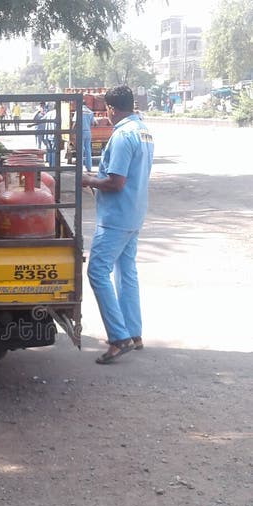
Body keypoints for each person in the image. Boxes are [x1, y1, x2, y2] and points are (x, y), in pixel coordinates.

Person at [81, 85, 154, 364]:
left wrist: (89, 180)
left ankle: (118, 337)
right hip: (133, 212)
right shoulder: (144, 131)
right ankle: (133, 333)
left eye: (106, 110)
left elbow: (116, 182)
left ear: (111, 109)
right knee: (126, 271)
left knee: (98, 271)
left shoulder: (123, 135)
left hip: (117, 217)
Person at [81, 102, 95, 172]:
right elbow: (93, 123)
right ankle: (89, 167)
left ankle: (80, 167)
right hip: (88, 132)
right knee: (88, 150)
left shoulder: (79, 111)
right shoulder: (90, 112)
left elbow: (74, 122)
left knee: (80, 150)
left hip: (81, 132)